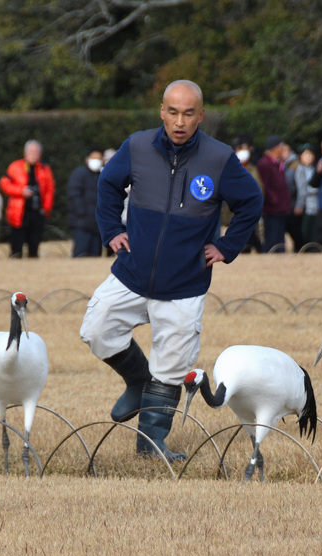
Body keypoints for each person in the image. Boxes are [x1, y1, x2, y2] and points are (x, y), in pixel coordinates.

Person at [80, 80, 262, 461]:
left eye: (189, 113)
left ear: (201, 115)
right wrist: (112, 230)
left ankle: (150, 444)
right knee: (97, 330)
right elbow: (109, 185)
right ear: (162, 112)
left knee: (173, 364)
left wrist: (227, 247)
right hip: (131, 272)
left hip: (185, 284)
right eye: (173, 112)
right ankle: (136, 380)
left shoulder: (220, 158)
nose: (180, 121)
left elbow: (251, 202)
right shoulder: (137, 146)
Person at [0, 140, 55, 258]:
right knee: (17, 246)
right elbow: (4, 184)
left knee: (34, 244)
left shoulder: (45, 169)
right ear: (25, 152)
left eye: (36, 152)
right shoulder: (15, 167)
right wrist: (21, 191)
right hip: (19, 212)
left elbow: (50, 190)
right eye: (31, 152)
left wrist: (46, 209)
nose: (33, 154)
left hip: (37, 212)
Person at [225, 134, 263, 253]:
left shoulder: (253, 169)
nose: (244, 151)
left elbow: (260, 188)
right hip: (233, 209)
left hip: (251, 208)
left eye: (247, 148)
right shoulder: (228, 167)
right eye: (241, 147)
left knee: (252, 234)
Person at [256, 135, 292, 253]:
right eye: (281, 147)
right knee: (271, 236)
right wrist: (274, 199)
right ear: (275, 148)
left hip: (281, 207)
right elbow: (264, 186)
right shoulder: (264, 164)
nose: (283, 149)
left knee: (280, 237)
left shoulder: (278, 163)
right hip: (271, 208)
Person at [68, 147, 104, 257]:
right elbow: (74, 196)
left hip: (97, 224)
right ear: (87, 159)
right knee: (81, 254)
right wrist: (82, 212)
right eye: (93, 157)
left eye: (99, 158)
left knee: (95, 255)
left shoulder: (103, 175)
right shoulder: (79, 174)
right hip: (82, 223)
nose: (96, 160)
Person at [293, 144, 319, 249]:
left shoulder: (315, 169)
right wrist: (299, 205)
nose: (309, 157)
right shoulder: (300, 169)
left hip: (316, 206)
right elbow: (302, 189)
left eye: (311, 154)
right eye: (306, 154)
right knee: (305, 232)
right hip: (305, 207)